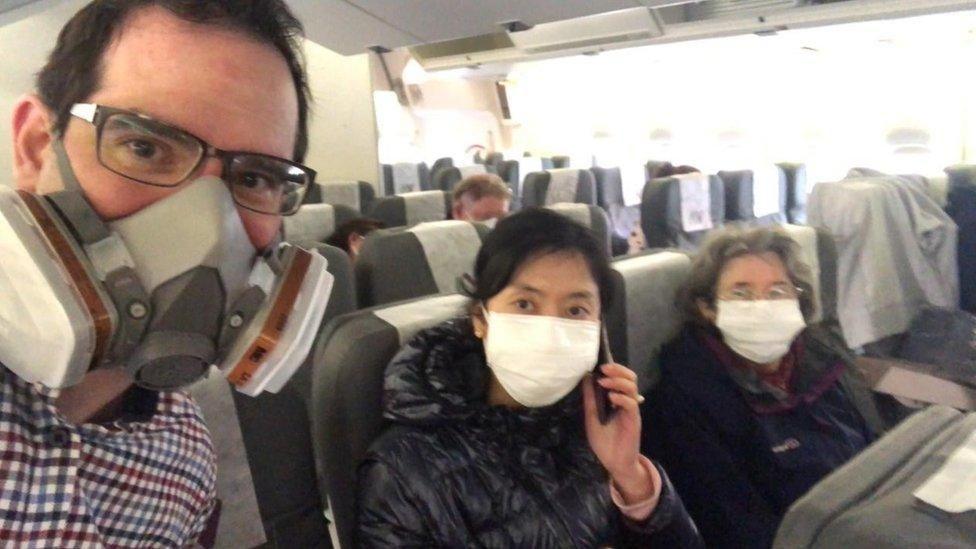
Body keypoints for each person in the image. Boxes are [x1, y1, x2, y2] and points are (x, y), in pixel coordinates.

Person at [5, 1, 317, 546]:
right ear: (35, 147)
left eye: (258, 178)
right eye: (144, 147)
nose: (210, 227)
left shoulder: (185, 446)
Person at [357, 208, 703, 547]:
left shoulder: (601, 423)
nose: (550, 330)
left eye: (575, 310)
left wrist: (631, 476)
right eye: (525, 304)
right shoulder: (404, 469)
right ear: (481, 319)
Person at [643, 226, 886, 549]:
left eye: (777, 292)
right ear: (708, 308)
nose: (761, 306)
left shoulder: (824, 355)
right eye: (740, 293)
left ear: (798, 301)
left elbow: (877, 450)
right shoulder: (688, 394)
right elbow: (734, 524)